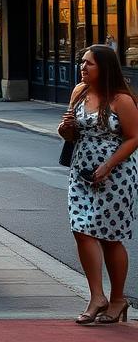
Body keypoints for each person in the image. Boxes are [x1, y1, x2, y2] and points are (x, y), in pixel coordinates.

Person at [58, 44, 138, 325]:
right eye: (82, 62)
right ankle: (96, 297)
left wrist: (108, 166)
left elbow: (133, 137)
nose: (83, 67)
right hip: (81, 172)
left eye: (89, 63)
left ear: (105, 67)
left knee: (109, 237)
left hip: (115, 175)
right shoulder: (79, 93)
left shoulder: (120, 99)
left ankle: (118, 300)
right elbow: (69, 133)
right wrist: (66, 129)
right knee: (81, 229)